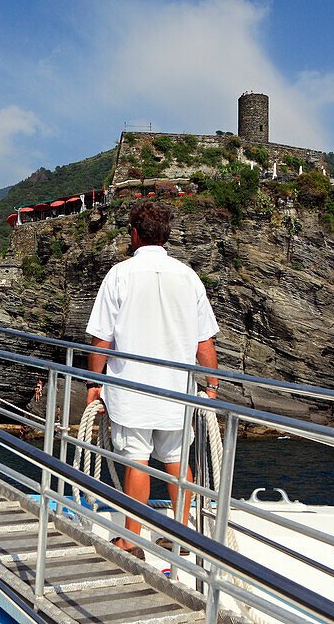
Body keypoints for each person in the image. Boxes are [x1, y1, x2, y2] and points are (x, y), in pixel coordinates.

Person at [85, 199, 219, 559]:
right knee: (178, 461)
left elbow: (102, 340)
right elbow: (203, 343)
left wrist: (93, 384)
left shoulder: (119, 275)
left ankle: (131, 540)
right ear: (166, 236)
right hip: (178, 391)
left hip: (133, 390)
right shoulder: (188, 277)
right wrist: (212, 387)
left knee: (136, 461)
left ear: (134, 234)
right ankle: (181, 535)